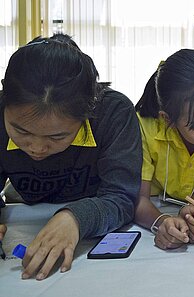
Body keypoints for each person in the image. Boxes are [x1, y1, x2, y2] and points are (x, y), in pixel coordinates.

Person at [0, 34, 142, 280]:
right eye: (20, 131)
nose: (36, 147)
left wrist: (75, 218)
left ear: (88, 112)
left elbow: (122, 197)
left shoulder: (112, 113)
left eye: (56, 137)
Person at [134, 49, 194, 249]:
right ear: (167, 118)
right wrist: (161, 222)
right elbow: (138, 200)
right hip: (150, 212)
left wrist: (193, 213)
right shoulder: (143, 128)